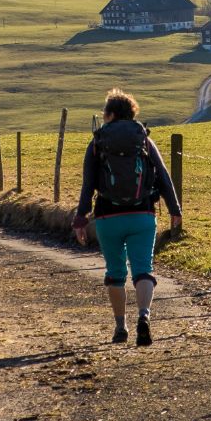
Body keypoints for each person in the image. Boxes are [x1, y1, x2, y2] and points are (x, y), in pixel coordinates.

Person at [72, 89, 183, 345]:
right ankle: (144, 316)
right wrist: (175, 210)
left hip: (108, 217)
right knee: (144, 270)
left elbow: (88, 185)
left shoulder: (98, 142)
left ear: (109, 114)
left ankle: (120, 327)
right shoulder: (143, 139)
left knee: (115, 273)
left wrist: (80, 219)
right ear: (132, 113)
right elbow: (163, 176)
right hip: (142, 214)